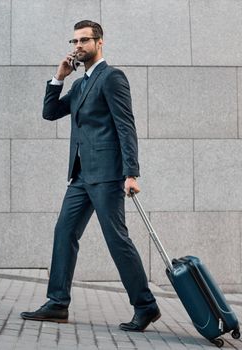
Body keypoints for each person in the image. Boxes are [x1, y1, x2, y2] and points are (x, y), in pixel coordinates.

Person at [20, 20, 160, 332]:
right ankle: (57, 303)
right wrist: (58, 78)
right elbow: (51, 112)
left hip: (109, 175)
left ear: (100, 43)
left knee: (116, 240)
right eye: (74, 41)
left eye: (84, 40)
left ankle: (146, 306)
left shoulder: (112, 78)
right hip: (81, 176)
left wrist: (131, 173)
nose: (78, 46)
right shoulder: (81, 84)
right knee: (64, 232)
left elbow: (126, 126)